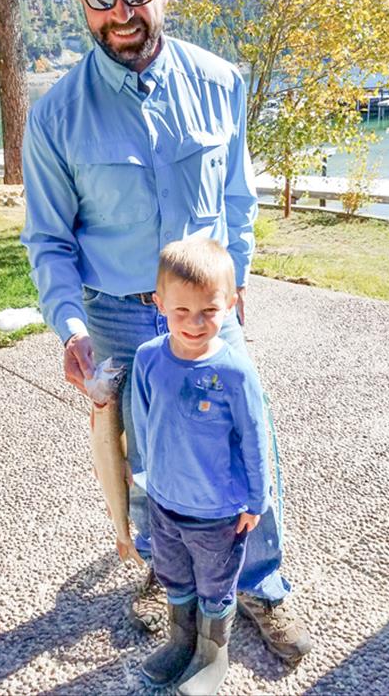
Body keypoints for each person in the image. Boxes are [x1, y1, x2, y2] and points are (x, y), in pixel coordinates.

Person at [21, 0, 310, 663]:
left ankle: (262, 585)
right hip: (115, 317)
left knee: (249, 441)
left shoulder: (222, 83)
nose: (123, 12)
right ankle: (169, 569)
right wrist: (71, 328)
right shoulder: (54, 118)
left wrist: (235, 281)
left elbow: (240, 200)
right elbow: (48, 241)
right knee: (147, 457)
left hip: (209, 311)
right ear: (80, 2)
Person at [132, 239, 272, 694]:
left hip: (217, 514)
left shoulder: (235, 370)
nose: (194, 323)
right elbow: (143, 421)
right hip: (165, 503)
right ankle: (181, 641)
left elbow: (254, 437)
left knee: (214, 585)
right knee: (174, 576)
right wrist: (149, 481)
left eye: (209, 311)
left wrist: (257, 498)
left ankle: (213, 655)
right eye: (181, 311)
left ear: (230, 304)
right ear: (160, 304)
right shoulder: (148, 358)